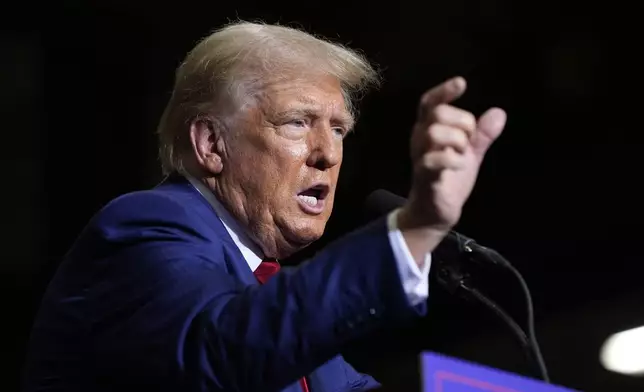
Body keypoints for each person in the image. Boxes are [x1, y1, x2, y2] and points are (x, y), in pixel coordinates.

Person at [23, 21, 506, 392]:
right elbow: (228, 349)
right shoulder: (145, 229)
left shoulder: (261, 285)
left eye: (338, 129)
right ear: (211, 144)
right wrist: (414, 229)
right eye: (297, 123)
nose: (329, 153)